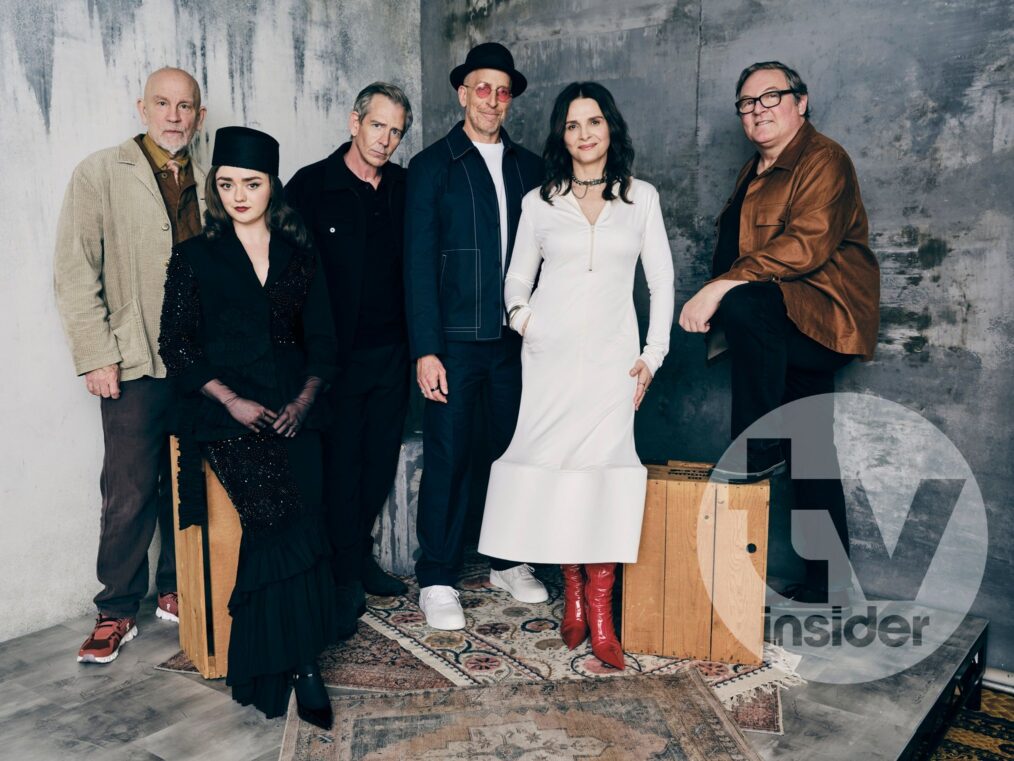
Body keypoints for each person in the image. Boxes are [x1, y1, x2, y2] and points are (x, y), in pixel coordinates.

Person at [478, 82, 675, 669]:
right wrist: (525, 320)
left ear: (610, 128)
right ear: (560, 136)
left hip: (615, 362)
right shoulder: (540, 201)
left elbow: (661, 282)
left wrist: (653, 353)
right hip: (549, 359)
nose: (585, 134)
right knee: (558, 472)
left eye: (594, 122)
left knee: (606, 475)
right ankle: (571, 600)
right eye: (573, 125)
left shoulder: (642, 198)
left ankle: (600, 613)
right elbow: (516, 279)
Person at [678, 61, 880, 612]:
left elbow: (805, 246)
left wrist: (719, 288)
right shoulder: (754, 172)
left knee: (744, 297)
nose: (758, 109)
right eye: (747, 103)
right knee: (813, 446)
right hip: (783, 328)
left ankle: (757, 444)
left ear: (802, 101)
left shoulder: (823, 159)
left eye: (772, 97)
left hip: (822, 319)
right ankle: (829, 585)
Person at [158, 127, 341, 728]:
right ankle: (300, 666)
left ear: (273, 187)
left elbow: (322, 341)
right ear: (216, 187)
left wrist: (305, 401)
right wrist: (232, 399)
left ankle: (287, 654)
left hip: (294, 409)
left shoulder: (299, 254)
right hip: (226, 414)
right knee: (275, 518)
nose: (239, 195)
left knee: (309, 514)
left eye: (252, 184)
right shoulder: (195, 256)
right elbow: (177, 346)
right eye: (227, 183)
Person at [54, 67, 206, 664]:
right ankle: (116, 609)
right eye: (162, 103)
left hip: (198, 364)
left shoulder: (212, 174)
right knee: (129, 488)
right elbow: (73, 273)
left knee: (187, 480)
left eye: (185, 106)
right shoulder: (99, 173)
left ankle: (175, 586)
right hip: (133, 359)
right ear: (140, 106)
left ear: (198, 113)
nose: (174, 115)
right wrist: (97, 356)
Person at [404, 42, 548, 630]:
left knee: (512, 454)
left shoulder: (532, 169)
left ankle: (506, 560)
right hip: (455, 344)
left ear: (510, 99)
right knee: (448, 455)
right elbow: (416, 264)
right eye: (480, 88)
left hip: (516, 343)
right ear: (463, 93)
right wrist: (426, 349)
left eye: (502, 90)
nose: (491, 99)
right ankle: (436, 575)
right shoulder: (432, 166)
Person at [285, 83, 413, 632]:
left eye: (396, 131)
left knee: (379, 459)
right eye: (377, 126)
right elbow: (286, 278)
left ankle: (359, 556)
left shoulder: (406, 187)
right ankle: (340, 573)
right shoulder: (311, 187)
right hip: (334, 360)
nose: (385, 140)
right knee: (340, 466)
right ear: (354, 122)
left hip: (393, 353)